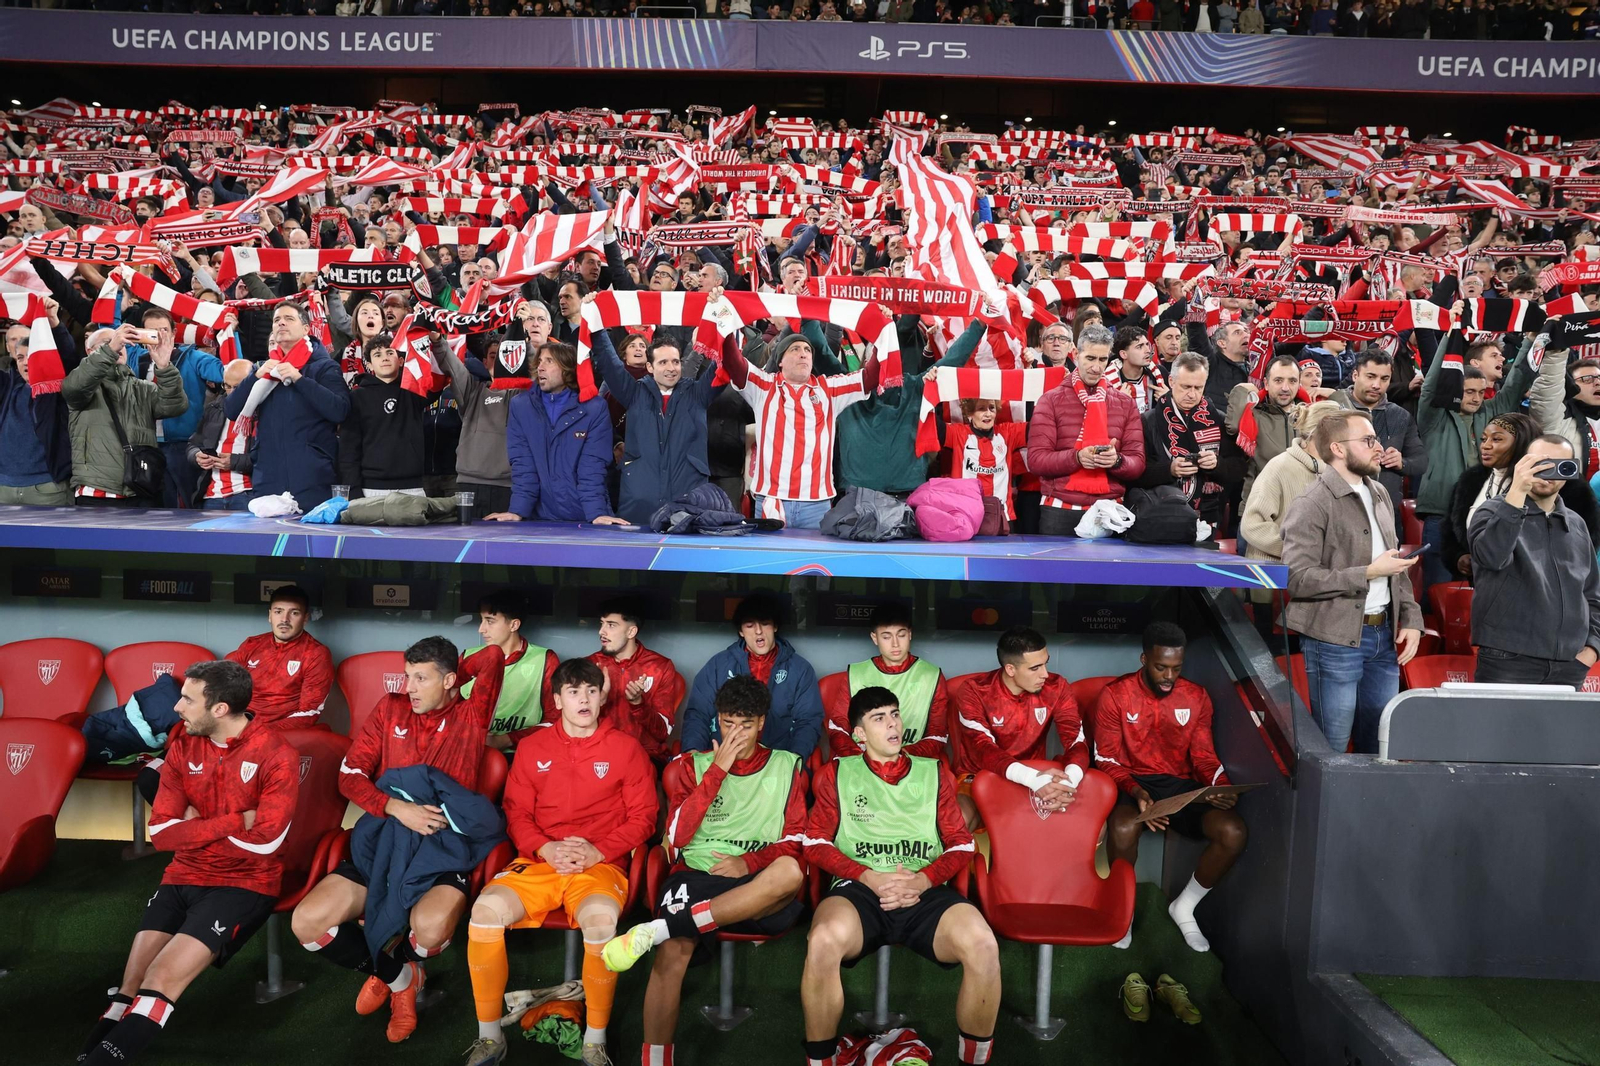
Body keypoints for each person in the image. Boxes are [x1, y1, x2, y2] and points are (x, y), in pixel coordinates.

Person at [79, 661, 296, 1066]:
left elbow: (266, 843)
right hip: (183, 872)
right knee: (129, 985)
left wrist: (195, 826)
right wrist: (235, 822)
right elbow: (161, 833)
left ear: (220, 709)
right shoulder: (182, 744)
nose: (176, 708)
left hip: (244, 883)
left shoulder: (276, 754)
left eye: (188, 700)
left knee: (160, 980)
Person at [291, 637, 505, 1044]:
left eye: (421, 678)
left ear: (449, 680)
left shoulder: (471, 714)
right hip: (384, 837)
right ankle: (398, 975)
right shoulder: (390, 708)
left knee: (428, 929)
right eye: (407, 675)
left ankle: (397, 961)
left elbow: (492, 656)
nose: (409, 686)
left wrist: (454, 673)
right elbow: (350, 776)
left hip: (442, 849)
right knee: (307, 923)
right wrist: (393, 806)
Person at [600, 676, 808, 1066]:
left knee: (790, 873)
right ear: (718, 721)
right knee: (672, 952)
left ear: (762, 723)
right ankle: (656, 1061)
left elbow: (796, 840)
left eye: (746, 725)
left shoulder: (787, 765)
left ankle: (664, 925)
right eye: (729, 723)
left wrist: (748, 862)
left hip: (755, 880)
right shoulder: (694, 765)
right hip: (695, 872)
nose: (737, 734)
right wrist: (719, 770)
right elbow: (675, 836)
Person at [461, 658, 656, 1066]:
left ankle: (595, 1039)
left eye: (591, 691)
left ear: (603, 697)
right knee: (483, 914)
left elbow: (645, 818)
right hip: (539, 861)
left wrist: (598, 850)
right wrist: (545, 848)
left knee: (601, 923)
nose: (583, 699)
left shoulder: (626, 748)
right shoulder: (533, 747)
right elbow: (516, 813)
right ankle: (490, 1036)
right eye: (573, 692)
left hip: (600, 864)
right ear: (557, 700)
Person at [801, 686, 996, 1066]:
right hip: (859, 891)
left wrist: (922, 880)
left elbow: (961, 844)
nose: (892, 725)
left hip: (923, 890)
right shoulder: (835, 773)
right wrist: (867, 876)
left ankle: (974, 1061)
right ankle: (820, 1062)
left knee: (983, 945)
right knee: (822, 940)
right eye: (879, 718)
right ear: (859, 734)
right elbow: (815, 844)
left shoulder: (934, 771)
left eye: (894, 715)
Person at [1097, 622, 1246, 953]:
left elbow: (1205, 757)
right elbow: (1106, 759)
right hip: (1130, 780)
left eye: (1176, 668)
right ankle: (1123, 910)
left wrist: (1221, 786)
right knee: (1122, 828)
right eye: (1160, 667)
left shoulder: (1195, 696)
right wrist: (1136, 793)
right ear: (1143, 659)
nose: (1168, 676)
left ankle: (1184, 907)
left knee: (1233, 831)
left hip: (1179, 785)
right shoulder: (1115, 695)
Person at [1282, 410, 1423, 754]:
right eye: (1368, 440)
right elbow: (1297, 579)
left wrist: (1413, 619)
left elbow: (1395, 565)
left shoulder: (1379, 493)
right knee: (1330, 747)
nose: (1379, 447)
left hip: (1384, 637)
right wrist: (1367, 573)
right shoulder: (1311, 502)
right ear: (1338, 449)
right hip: (1333, 640)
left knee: (1379, 745)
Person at [714, 306, 881, 530]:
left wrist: (882, 333)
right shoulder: (764, 386)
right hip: (771, 500)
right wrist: (723, 322)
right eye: (794, 349)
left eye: (807, 350)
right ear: (780, 360)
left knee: (812, 564)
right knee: (770, 564)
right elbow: (735, 364)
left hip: (816, 504)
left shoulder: (829, 389)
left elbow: (870, 377)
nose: (803, 353)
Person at [1468, 435, 1600, 686]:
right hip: (1507, 659)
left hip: (1570, 664)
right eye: (1539, 463)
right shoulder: (1491, 511)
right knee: (1500, 727)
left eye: (1559, 465)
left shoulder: (1577, 524)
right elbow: (1491, 558)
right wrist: (1517, 491)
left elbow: (1593, 594)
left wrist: (1591, 649)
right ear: (1522, 465)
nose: (1547, 472)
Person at [1414, 334, 1537, 593]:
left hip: (1486, 512)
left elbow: (1516, 382)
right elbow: (1431, 385)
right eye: (1469, 391)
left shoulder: (1492, 412)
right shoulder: (1434, 415)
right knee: (1438, 590)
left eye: (1481, 392)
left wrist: (1531, 342)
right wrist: (1450, 336)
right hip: (1440, 514)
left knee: (1486, 589)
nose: (1476, 398)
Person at [950, 626, 1089, 830]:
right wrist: (1032, 780)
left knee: (1092, 825)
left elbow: (1075, 740)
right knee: (959, 819)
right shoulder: (974, 690)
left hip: (1037, 775)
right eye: (1035, 668)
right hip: (980, 774)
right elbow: (983, 749)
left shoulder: (1056, 687)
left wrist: (1069, 783)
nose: (1045, 674)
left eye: (1045, 664)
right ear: (1010, 669)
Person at [588, 323, 725, 526]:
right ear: (650, 367)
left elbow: (725, 365)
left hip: (688, 508)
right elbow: (609, 364)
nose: (671, 368)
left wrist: (725, 325)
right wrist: (597, 327)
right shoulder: (634, 393)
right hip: (638, 507)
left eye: (675, 362)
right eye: (663, 363)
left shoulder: (698, 394)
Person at [222, 302, 351, 512]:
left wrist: (300, 380)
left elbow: (340, 411)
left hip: (312, 477)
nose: (281, 322)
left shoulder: (324, 366)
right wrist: (256, 376)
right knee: (267, 543)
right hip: (268, 477)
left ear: (306, 328)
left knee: (314, 542)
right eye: (276, 320)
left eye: (289, 319)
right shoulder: (263, 370)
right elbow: (231, 410)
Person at [485, 340, 626, 525]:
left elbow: (592, 468)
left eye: (549, 361)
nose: (540, 367)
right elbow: (523, 466)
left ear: (567, 369)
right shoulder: (521, 406)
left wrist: (596, 513)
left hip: (585, 515)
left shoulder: (594, 408)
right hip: (540, 517)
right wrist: (517, 511)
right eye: (540, 361)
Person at [1026, 324, 1148, 536]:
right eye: (1090, 358)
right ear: (1076, 354)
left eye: (1102, 360)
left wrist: (1117, 461)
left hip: (1110, 513)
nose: (1096, 367)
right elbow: (1036, 460)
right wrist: (1077, 458)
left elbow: (1137, 463)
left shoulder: (1125, 404)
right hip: (1060, 511)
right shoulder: (1050, 401)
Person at [439, 302, 549, 520]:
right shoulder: (473, 391)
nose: (501, 359)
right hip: (467, 485)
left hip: (511, 487)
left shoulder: (528, 394)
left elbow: (536, 371)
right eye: (494, 355)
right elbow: (451, 364)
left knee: (506, 553)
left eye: (506, 353)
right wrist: (436, 340)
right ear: (484, 361)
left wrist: (522, 334)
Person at [681, 591, 824, 758]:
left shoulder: (800, 669)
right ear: (740, 631)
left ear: (775, 627)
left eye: (765, 624)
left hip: (777, 762)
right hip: (724, 759)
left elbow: (808, 721)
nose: (758, 631)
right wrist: (693, 750)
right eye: (750, 625)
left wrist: (793, 760)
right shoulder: (718, 665)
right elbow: (698, 713)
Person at [63, 324, 188, 505]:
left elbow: (175, 406)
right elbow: (75, 386)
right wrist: (110, 349)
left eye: (122, 343)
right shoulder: (83, 386)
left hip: (142, 488)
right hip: (98, 492)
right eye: (108, 342)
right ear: (90, 351)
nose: (119, 346)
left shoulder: (143, 388)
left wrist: (164, 367)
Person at [123, 306, 225, 508]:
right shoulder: (135, 359)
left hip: (182, 444)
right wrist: (114, 292)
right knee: (152, 509)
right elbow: (107, 330)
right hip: (145, 445)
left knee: (188, 505)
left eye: (163, 330)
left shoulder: (193, 357)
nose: (159, 337)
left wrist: (230, 335)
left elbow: (228, 371)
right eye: (152, 332)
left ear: (174, 333)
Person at [1132, 352, 1245, 531]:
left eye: (1198, 388)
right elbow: (1134, 473)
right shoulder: (1147, 421)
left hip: (1208, 518)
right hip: (1160, 516)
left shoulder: (1220, 420)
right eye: (1186, 387)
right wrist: (1169, 469)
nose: (1192, 394)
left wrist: (1217, 465)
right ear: (1171, 381)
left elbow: (1238, 470)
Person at [825, 602, 949, 760]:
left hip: (911, 760)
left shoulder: (931, 675)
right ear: (874, 638)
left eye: (901, 635)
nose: (895, 643)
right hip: (859, 759)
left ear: (910, 634)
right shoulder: (856, 674)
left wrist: (897, 758)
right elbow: (837, 728)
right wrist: (864, 758)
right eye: (886, 637)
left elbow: (938, 735)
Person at [1440, 412, 1541, 581]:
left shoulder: (1543, 483)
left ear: (1520, 443)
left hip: (1529, 585)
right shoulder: (1470, 481)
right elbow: (1450, 531)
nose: (1485, 446)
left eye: (1496, 439)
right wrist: (1459, 557)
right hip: (1483, 585)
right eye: (1484, 439)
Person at [587, 597, 685, 763]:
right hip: (597, 756)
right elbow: (572, 726)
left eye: (611, 625)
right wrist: (598, 701)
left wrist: (638, 704)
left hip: (645, 757)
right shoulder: (590, 665)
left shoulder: (660, 667)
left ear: (631, 632)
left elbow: (662, 733)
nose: (601, 631)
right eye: (601, 623)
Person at [461, 588, 557, 751]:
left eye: (490, 621)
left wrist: (505, 740)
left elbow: (555, 721)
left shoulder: (544, 659)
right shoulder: (468, 657)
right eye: (481, 620)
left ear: (514, 624)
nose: (481, 629)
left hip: (520, 754)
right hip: (468, 753)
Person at [0, 305, 77, 505]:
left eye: (31, 355)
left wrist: (54, 322)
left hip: (48, 488)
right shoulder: (7, 386)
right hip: (4, 488)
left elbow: (68, 356)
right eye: (20, 357)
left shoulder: (57, 389)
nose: (26, 362)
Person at [338, 332, 428, 498]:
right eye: (377, 355)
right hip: (370, 489)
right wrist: (354, 491)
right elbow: (349, 449)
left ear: (401, 361)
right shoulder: (357, 397)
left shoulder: (415, 391)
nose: (384, 358)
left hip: (413, 489)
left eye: (390, 352)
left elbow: (437, 380)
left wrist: (434, 340)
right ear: (370, 365)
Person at [1333, 349, 1428, 505]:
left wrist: (1402, 462)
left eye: (1384, 379)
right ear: (1355, 375)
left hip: (1387, 511)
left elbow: (1421, 461)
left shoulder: (1400, 416)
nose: (1377, 385)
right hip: (1343, 508)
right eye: (1370, 377)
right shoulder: (1335, 411)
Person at [1227, 353, 1307, 509]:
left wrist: (1332, 394)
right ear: (1266, 383)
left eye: (1292, 381)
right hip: (1258, 510)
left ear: (1299, 384)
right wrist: (1242, 389)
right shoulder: (1254, 414)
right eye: (1278, 380)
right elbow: (1233, 426)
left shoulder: (1310, 417)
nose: (1285, 388)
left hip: (1301, 511)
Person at [941, 396, 1030, 523]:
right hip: (966, 516)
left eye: (992, 408)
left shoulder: (1008, 432)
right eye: (981, 409)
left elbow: (1039, 426)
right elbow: (930, 425)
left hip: (1002, 518)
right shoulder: (957, 433)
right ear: (970, 413)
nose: (988, 414)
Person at [188, 358, 258, 509]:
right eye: (227, 386)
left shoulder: (265, 411)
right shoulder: (214, 408)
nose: (231, 392)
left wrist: (234, 462)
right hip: (212, 496)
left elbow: (271, 458)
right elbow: (192, 444)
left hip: (248, 494)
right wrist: (197, 456)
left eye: (238, 387)